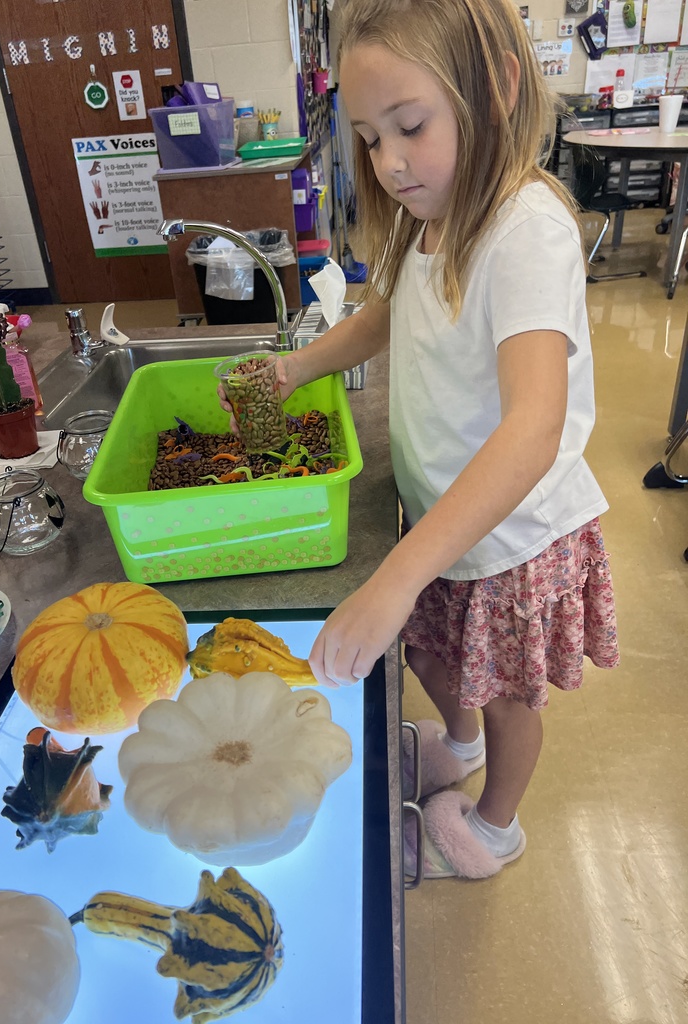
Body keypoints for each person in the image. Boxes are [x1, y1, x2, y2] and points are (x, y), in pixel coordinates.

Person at [221, 0, 620, 879]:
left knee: (510, 694)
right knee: (439, 655)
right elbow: (383, 314)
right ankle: (461, 746)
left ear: (498, 86)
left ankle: (496, 824)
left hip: (513, 539)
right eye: (369, 137)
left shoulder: (526, 230)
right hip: (443, 524)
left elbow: (533, 425)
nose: (390, 163)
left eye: (410, 125)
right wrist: (296, 370)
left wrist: (393, 580)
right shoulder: (425, 210)